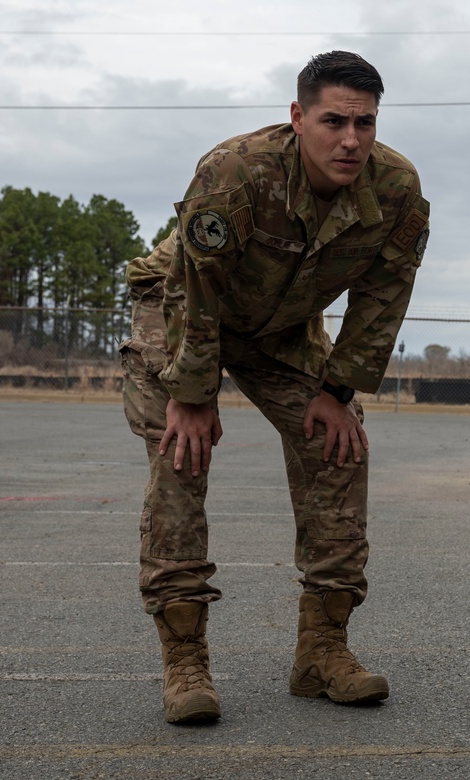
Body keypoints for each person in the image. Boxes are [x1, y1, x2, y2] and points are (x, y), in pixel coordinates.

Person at [120, 50, 430, 724]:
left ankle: (322, 649)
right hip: (179, 308)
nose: (350, 139)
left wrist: (338, 390)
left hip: (281, 325)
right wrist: (193, 393)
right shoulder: (235, 172)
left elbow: (384, 294)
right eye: (333, 121)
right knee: (181, 452)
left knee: (337, 444)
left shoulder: (397, 189)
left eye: (365, 123)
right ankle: (184, 658)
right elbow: (193, 288)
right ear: (297, 118)